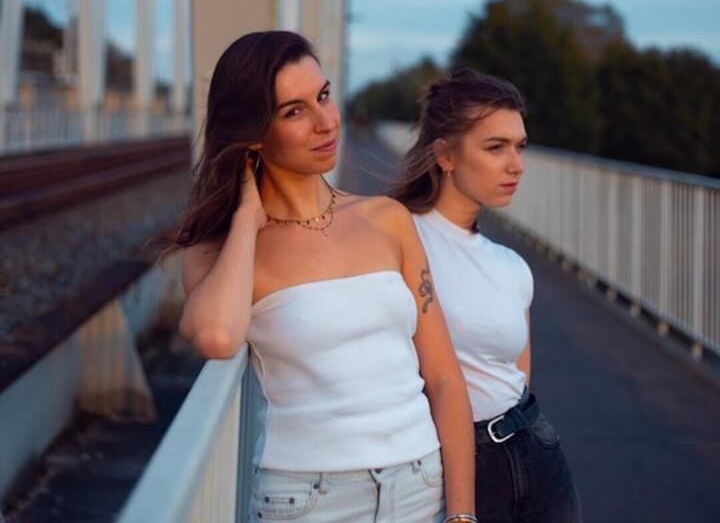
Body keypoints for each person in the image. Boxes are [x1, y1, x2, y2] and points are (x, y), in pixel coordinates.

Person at [166, 31, 477, 523]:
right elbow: (216, 335)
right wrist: (248, 217)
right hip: (309, 499)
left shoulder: (387, 219)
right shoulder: (220, 250)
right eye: (294, 111)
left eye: (324, 96)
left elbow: (442, 376)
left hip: (420, 485)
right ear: (252, 134)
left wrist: (462, 515)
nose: (325, 122)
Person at [392, 68, 582, 523]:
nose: (516, 165)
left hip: (536, 453)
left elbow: (518, 381)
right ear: (446, 155)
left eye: (519, 146)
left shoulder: (513, 268)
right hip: (445, 464)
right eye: (496, 147)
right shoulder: (398, 237)